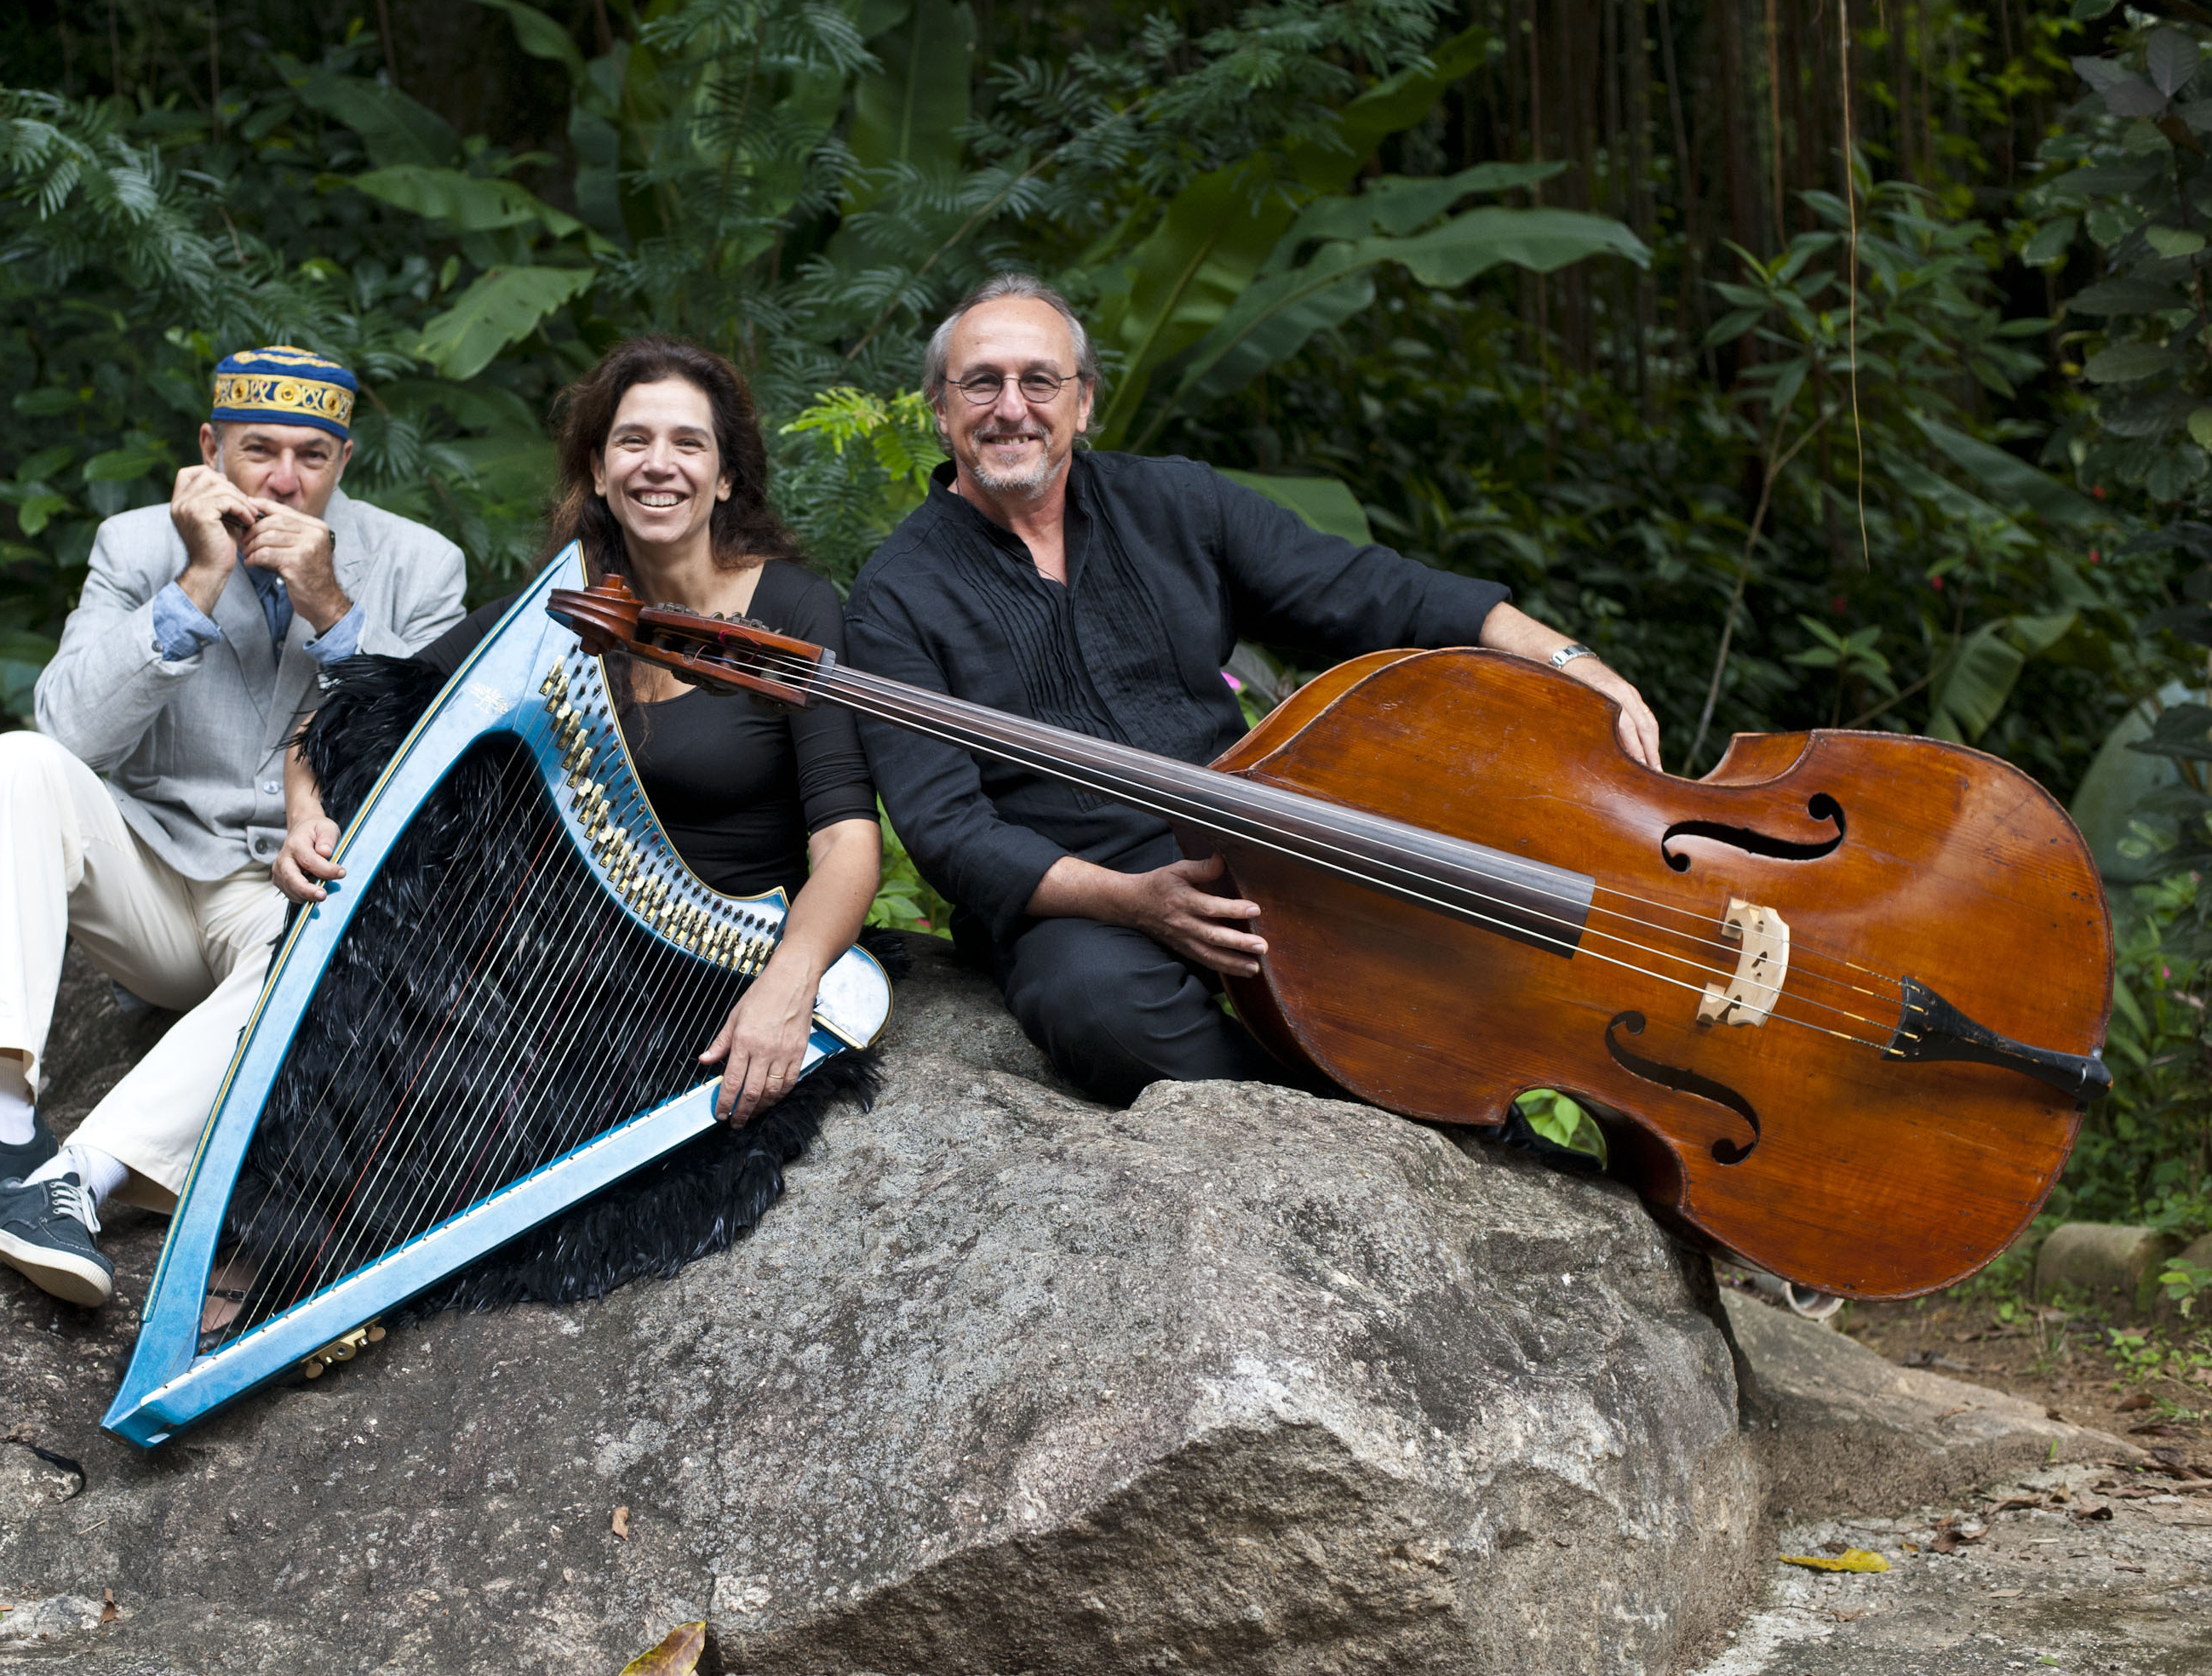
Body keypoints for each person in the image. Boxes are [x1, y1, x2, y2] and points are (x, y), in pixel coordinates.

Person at [846, 274, 1664, 1105]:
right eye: (982, 382)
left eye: (1040, 381)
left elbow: (1369, 590)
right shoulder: (894, 594)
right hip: (1083, 898)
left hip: (1257, 842)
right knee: (1094, 1006)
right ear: (940, 410)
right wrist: (1135, 901)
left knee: (1447, 949)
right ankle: (1329, 1109)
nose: (1011, 406)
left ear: (1084, 403)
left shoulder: (1175, 500)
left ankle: (1435, 1095)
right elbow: (948, 830)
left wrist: (1570, 661)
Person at [205, 337, 880, 1334]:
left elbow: (847, 843)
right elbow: (356, 712)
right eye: (633, 441)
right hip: (570, 954)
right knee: (380, 971)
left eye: (689, 443)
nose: (660, 463)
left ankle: (336, 1275)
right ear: (599, 473)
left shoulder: (789, 603)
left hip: (713, 969)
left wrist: (788, 986)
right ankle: (270, 1262)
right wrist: (308, 819)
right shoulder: (566, 611)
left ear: (727, 473)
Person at [0, 346, 467, 1306]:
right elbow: (69, 729)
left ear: (346, 460)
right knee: (8, 763)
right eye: (258, 450)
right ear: (209, 448)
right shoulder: (132, 544)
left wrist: (331, 607)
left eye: (312, 458)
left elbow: (425, 774)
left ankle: (76, 1182)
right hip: (148, 879)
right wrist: (198, 579)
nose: (283, 480)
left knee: (349, 930)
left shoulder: (419, 564)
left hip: (286, 893)